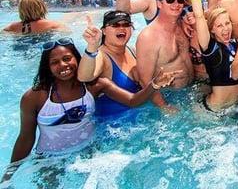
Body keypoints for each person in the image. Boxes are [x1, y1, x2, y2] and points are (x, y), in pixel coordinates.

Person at [6, 38, 177, 179]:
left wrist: (154, 84)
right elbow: (25, 138)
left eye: (67, 58)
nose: (63, 65)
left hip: (88, 153)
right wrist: (10, 173)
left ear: (77, 59)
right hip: (49, 159)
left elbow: (132, 101)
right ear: (47, 67)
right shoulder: (35, 97)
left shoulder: (94, 86)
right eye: (55, 62)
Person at [188, 0, 238, 110]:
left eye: (227, 23)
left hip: (236, 108)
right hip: (213, 112)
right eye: (219, 26)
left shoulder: (237, 44)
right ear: (212, 30)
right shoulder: (210, 47)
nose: (225, 29)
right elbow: (200, 16)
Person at [135, 0, 195, 110]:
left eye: (180, 0)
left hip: (190, 90)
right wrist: (163, 106)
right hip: (169, 97)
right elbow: (144, 80)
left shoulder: (181, 25)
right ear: (159, 4)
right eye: (170, 0)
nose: (176, 3)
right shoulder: (148, 37)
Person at [77, 11, 142, 117]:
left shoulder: (132, 50)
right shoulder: (101, 56)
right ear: (104, 31)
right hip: (112, 127)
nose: (121, 28)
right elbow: (84, 77)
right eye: (115, 25)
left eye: (126, 25)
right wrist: (92, 46)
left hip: (138, 120)